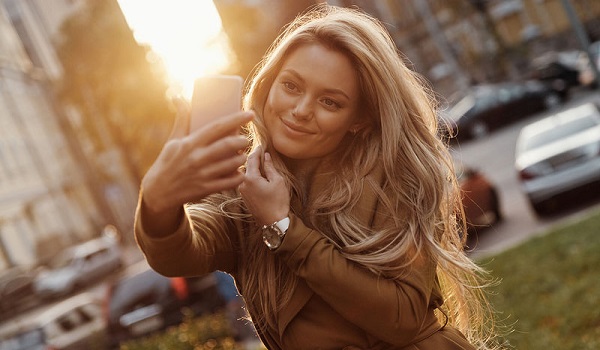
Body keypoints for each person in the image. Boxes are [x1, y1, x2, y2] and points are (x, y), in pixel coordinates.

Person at [135, 4, 500, 349]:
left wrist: (283, 228)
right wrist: (158, 202)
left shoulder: (394, 180)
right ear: (268, 85)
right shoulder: (242, 188)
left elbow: (402, 318)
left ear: (359, 120)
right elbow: (179, 255)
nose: (300, 110)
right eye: (291, 86)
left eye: (330, 102)